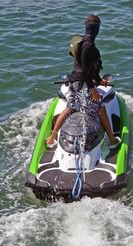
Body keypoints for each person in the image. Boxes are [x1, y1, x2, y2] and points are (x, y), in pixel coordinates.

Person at [46, 15, 121, 149]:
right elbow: (86, 70)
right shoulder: (89, 45)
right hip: (82, 83)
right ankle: (112, 140)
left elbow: (86, 68)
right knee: (99, 107)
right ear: (97, 29)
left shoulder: (81, 41)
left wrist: (99, 80)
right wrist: (92, 88)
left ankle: (52, 138)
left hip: (74, 80)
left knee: (70, 107)